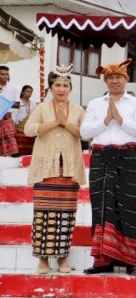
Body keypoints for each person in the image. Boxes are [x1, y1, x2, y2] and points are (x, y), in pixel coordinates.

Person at [80, 59, 136, 275]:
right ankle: (103, 260)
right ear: (105, 81)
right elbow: (85, 133)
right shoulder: (95, 104)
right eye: (110, 78)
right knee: (101, 207)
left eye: (118, 77)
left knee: (127, 206)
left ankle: (130, 260)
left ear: (126, 79)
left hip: (126, 156)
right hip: (101, 157)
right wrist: (106, 120)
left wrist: (120, 119)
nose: (114, 81)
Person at [24, 67, 85, 274]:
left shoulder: (77, 109)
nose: (61, 89)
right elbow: (29, 129)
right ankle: (42, 259)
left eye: (65, 85)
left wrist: (65, 123)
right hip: (45, 168)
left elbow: (84, 134)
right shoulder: (41, 108)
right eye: (57, 85)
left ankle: (62, 258)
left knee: (66, 215)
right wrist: (53, 123)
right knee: (43, 213)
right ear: (50, 88)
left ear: (70, 88)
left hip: (68, 169)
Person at [0, 65, 20, 156]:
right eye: (2, 74)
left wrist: (6, 103)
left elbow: (17, 105)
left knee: (9, 139)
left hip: (6, 117)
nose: (4, 76)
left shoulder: (14, 88)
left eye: (6, 74)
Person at [13, 85, 36, 156]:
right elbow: (14, 114)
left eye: (31, 92)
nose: (29, 93)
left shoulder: (33, 104)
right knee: (19, 148)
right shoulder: (18, 102)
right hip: (18, 128)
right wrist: (13, 126)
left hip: (29, 128)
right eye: (27, 91)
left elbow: (35, 115)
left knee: (29, 148)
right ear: (22, 92)